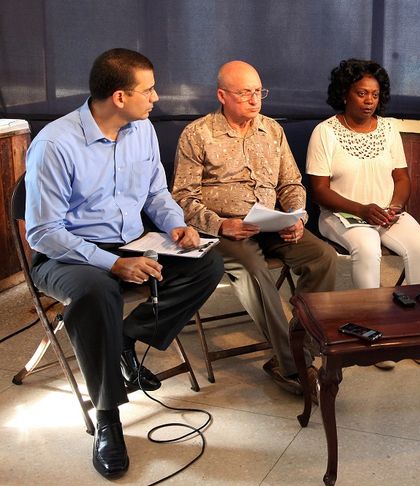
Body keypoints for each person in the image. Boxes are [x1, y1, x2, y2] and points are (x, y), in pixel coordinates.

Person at [25, 48, 224, 479]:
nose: (155, 98)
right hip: (67, 253)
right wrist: (110, 265)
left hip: (131, 242)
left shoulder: (142, 130)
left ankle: (126, 339)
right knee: (97, 291)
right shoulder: (55, 144)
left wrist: (176, 226)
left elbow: (155, 193)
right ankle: (108, 417)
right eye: (148, 90)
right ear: (119, 96)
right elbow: (43, 232)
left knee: (207, 264)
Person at [172, 60, 337, 393]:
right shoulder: (198, 134)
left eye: (258, 91)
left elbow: (291, 183)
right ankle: (294, 365)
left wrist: (296, 216)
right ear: (222, 95)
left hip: (270, 222)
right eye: (244, 93)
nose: (254, 99)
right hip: (224, 229)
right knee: (253, 268)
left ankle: (301, 339)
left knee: (323, 256)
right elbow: (183, 199)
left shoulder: (272, 130)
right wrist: (221, 225)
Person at [306, 59, 420, 369]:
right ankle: (374, 334)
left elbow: (403, 179)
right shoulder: (325, 132)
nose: (369, 101)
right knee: (367, 246)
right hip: (342, 214)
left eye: (375, 95)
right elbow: (320, 191)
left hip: (386, 211)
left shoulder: (389, 129)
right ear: (345, 94)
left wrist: (396, 206)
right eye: (362, 93)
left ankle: (414, 330)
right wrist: (362, 210)